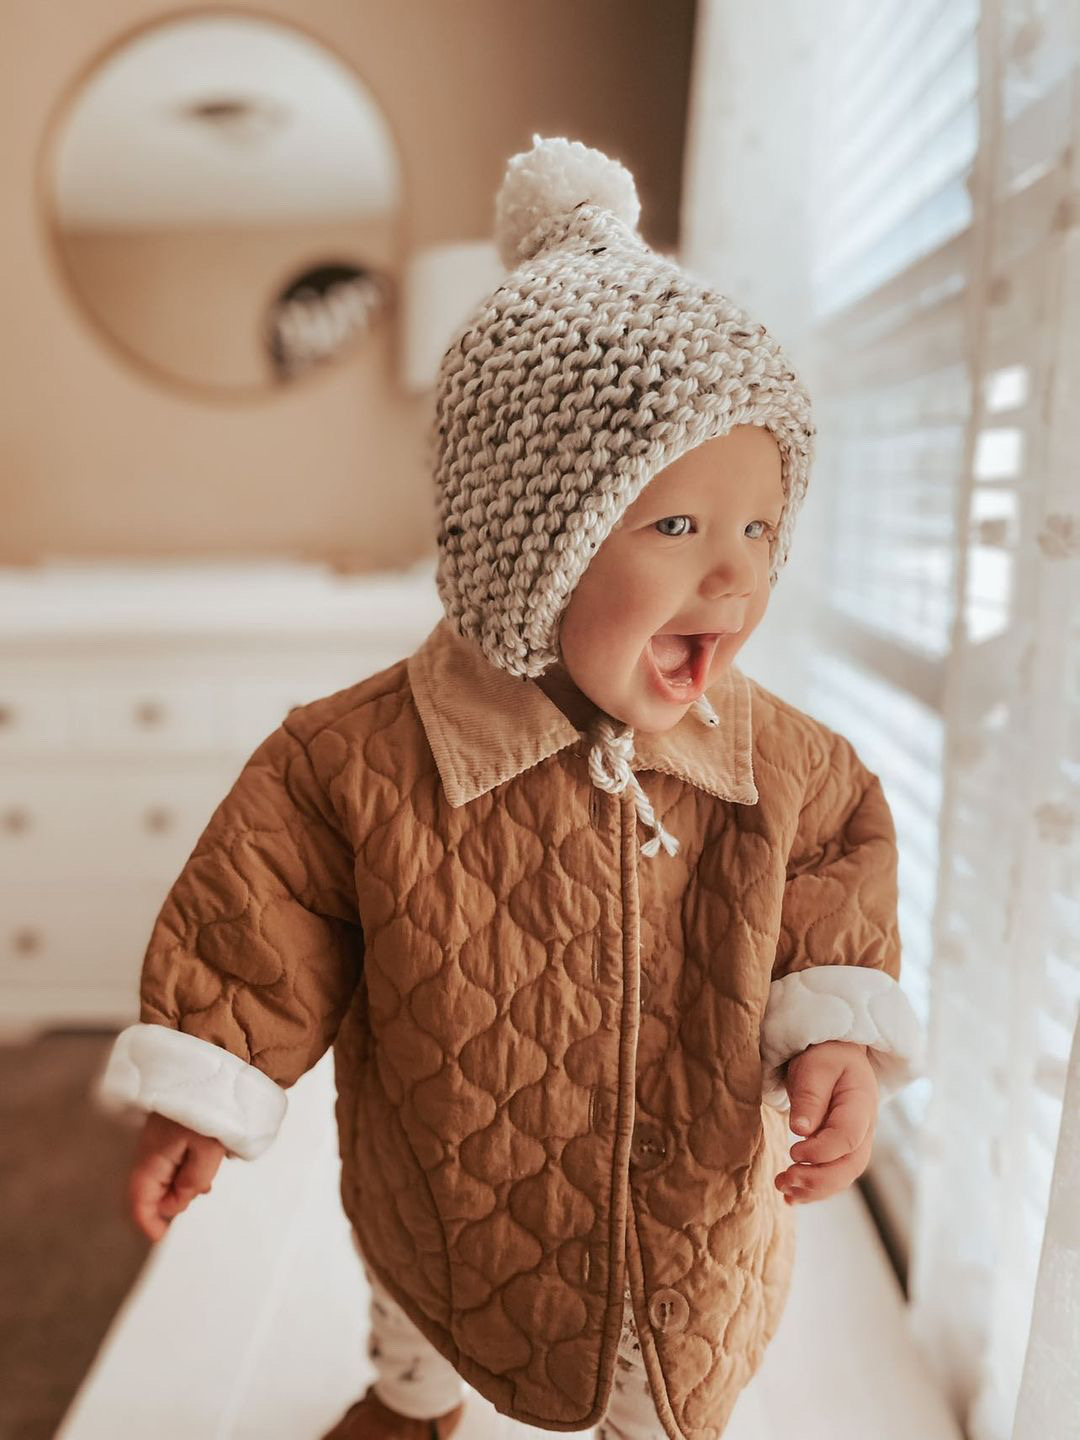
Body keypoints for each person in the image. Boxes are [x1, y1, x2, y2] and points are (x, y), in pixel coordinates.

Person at [96, 135, 925, 1440]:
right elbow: (256, 924)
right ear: (526, 546)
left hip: (690, 1200)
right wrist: (203, 1091)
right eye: (676, 528)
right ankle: (413, 1400)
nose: (735, 579)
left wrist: (833, 1038)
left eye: (760, 528)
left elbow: (835, 875)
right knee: (425, 1300)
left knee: (670, 1371)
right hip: (449, 1172)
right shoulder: (352, 760)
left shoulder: (788, 765)